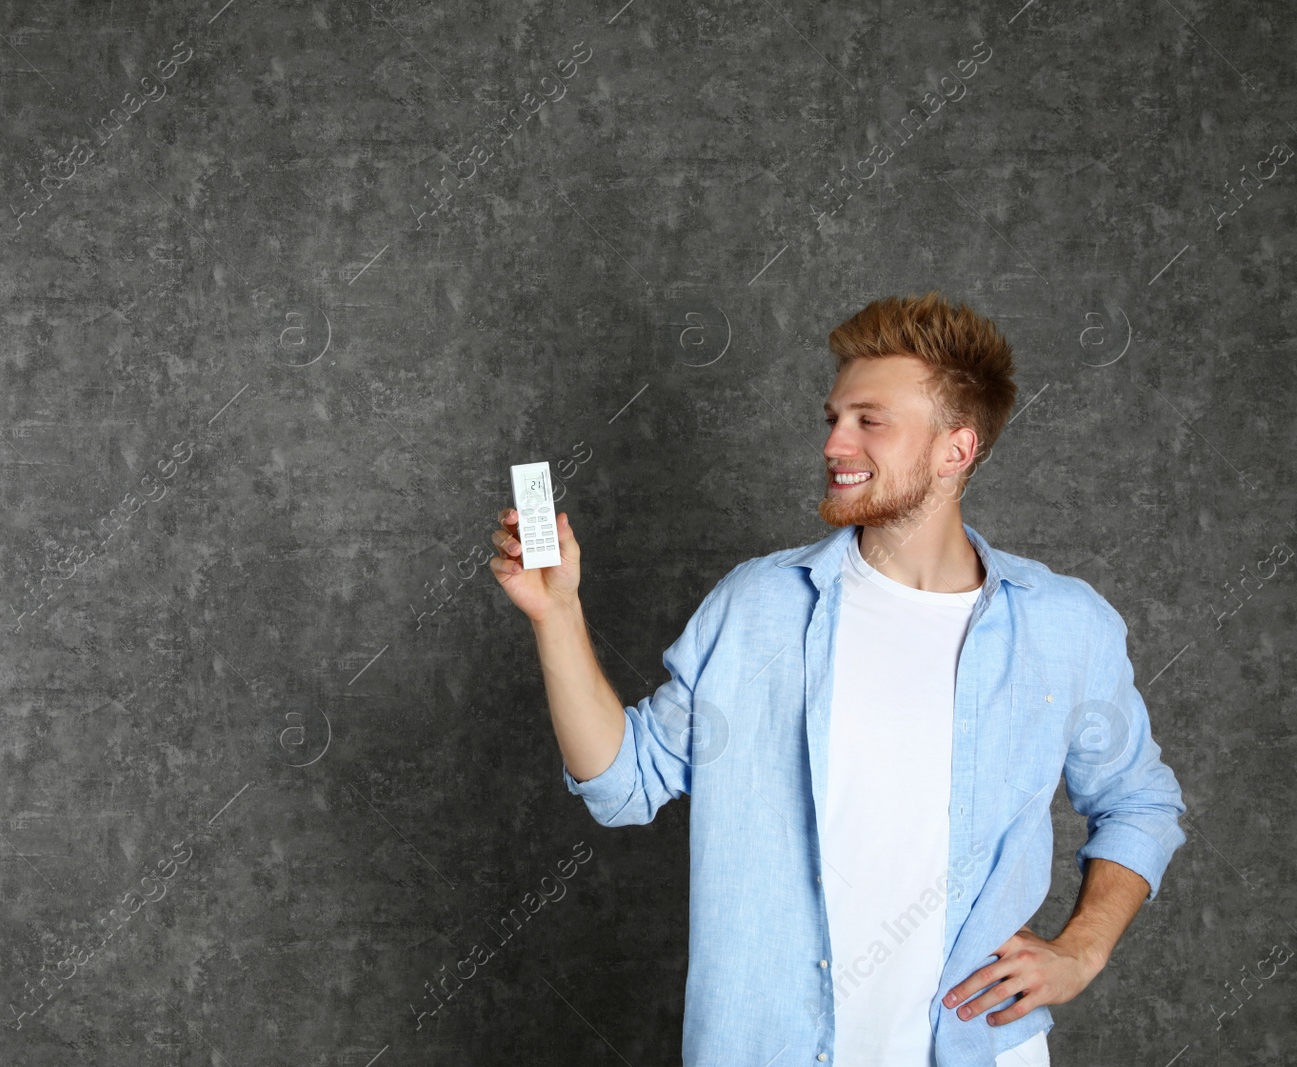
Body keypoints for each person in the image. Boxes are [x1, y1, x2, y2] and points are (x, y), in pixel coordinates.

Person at [488, 291, 1187, 1067]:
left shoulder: (1065, 626)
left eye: (869, 420)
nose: (834, 443)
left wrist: (1082, 948)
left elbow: (1140, 801)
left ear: (957, 449)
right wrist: (557, 615)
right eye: (833, 418)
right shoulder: (757, 607)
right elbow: (625, 781)